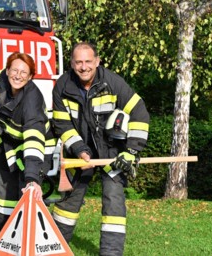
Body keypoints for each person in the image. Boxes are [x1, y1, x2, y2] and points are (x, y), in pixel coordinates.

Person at [51, 42, 150, 256]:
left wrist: (131, 152)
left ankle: (111, 253)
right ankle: (53, 247)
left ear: (97, 61)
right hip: (78, 153)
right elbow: (61, 123)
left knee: (114, 201)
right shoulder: (62, 85)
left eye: (88, 61)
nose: (84, 67)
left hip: (112, 154)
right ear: (71, 63)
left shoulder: (113, 83)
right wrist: (78, 148)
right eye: (78, 62)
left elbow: (140, 114)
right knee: (68, 202)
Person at [0, 52, 56, 236]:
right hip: (11, 147)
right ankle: (1, 241)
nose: (18, 76)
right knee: (6, 198)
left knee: (27, 196)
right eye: (14, 70)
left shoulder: (31, 99)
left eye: (23, 72)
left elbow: (34, 140)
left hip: (36, 150)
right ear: (7, 70)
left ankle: (27, 243)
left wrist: (32, 178)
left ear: (30, 77)